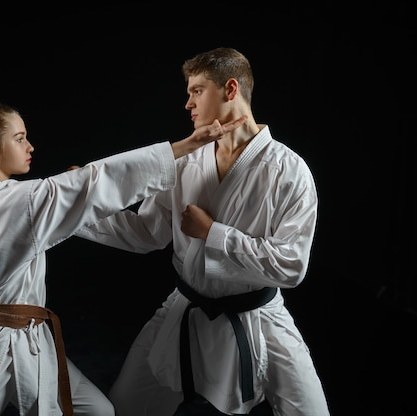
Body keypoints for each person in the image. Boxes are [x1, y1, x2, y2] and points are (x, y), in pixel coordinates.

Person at [0, 93, 246, 416]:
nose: (30, 146)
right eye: (19, 138)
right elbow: (95, 181)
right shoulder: (21, 200)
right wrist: (186, 146)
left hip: (27, 338)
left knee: (97, 410)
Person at [74, 47, 330, 415]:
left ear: (230, 90)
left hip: (258, 316)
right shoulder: (187, 162)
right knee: (126, 405)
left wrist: (213, 233)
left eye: (196, 91)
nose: (188, 104)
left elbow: (291, 266)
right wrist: (78, 209)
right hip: (185, 307)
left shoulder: (289, 170)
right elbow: (146, 232)